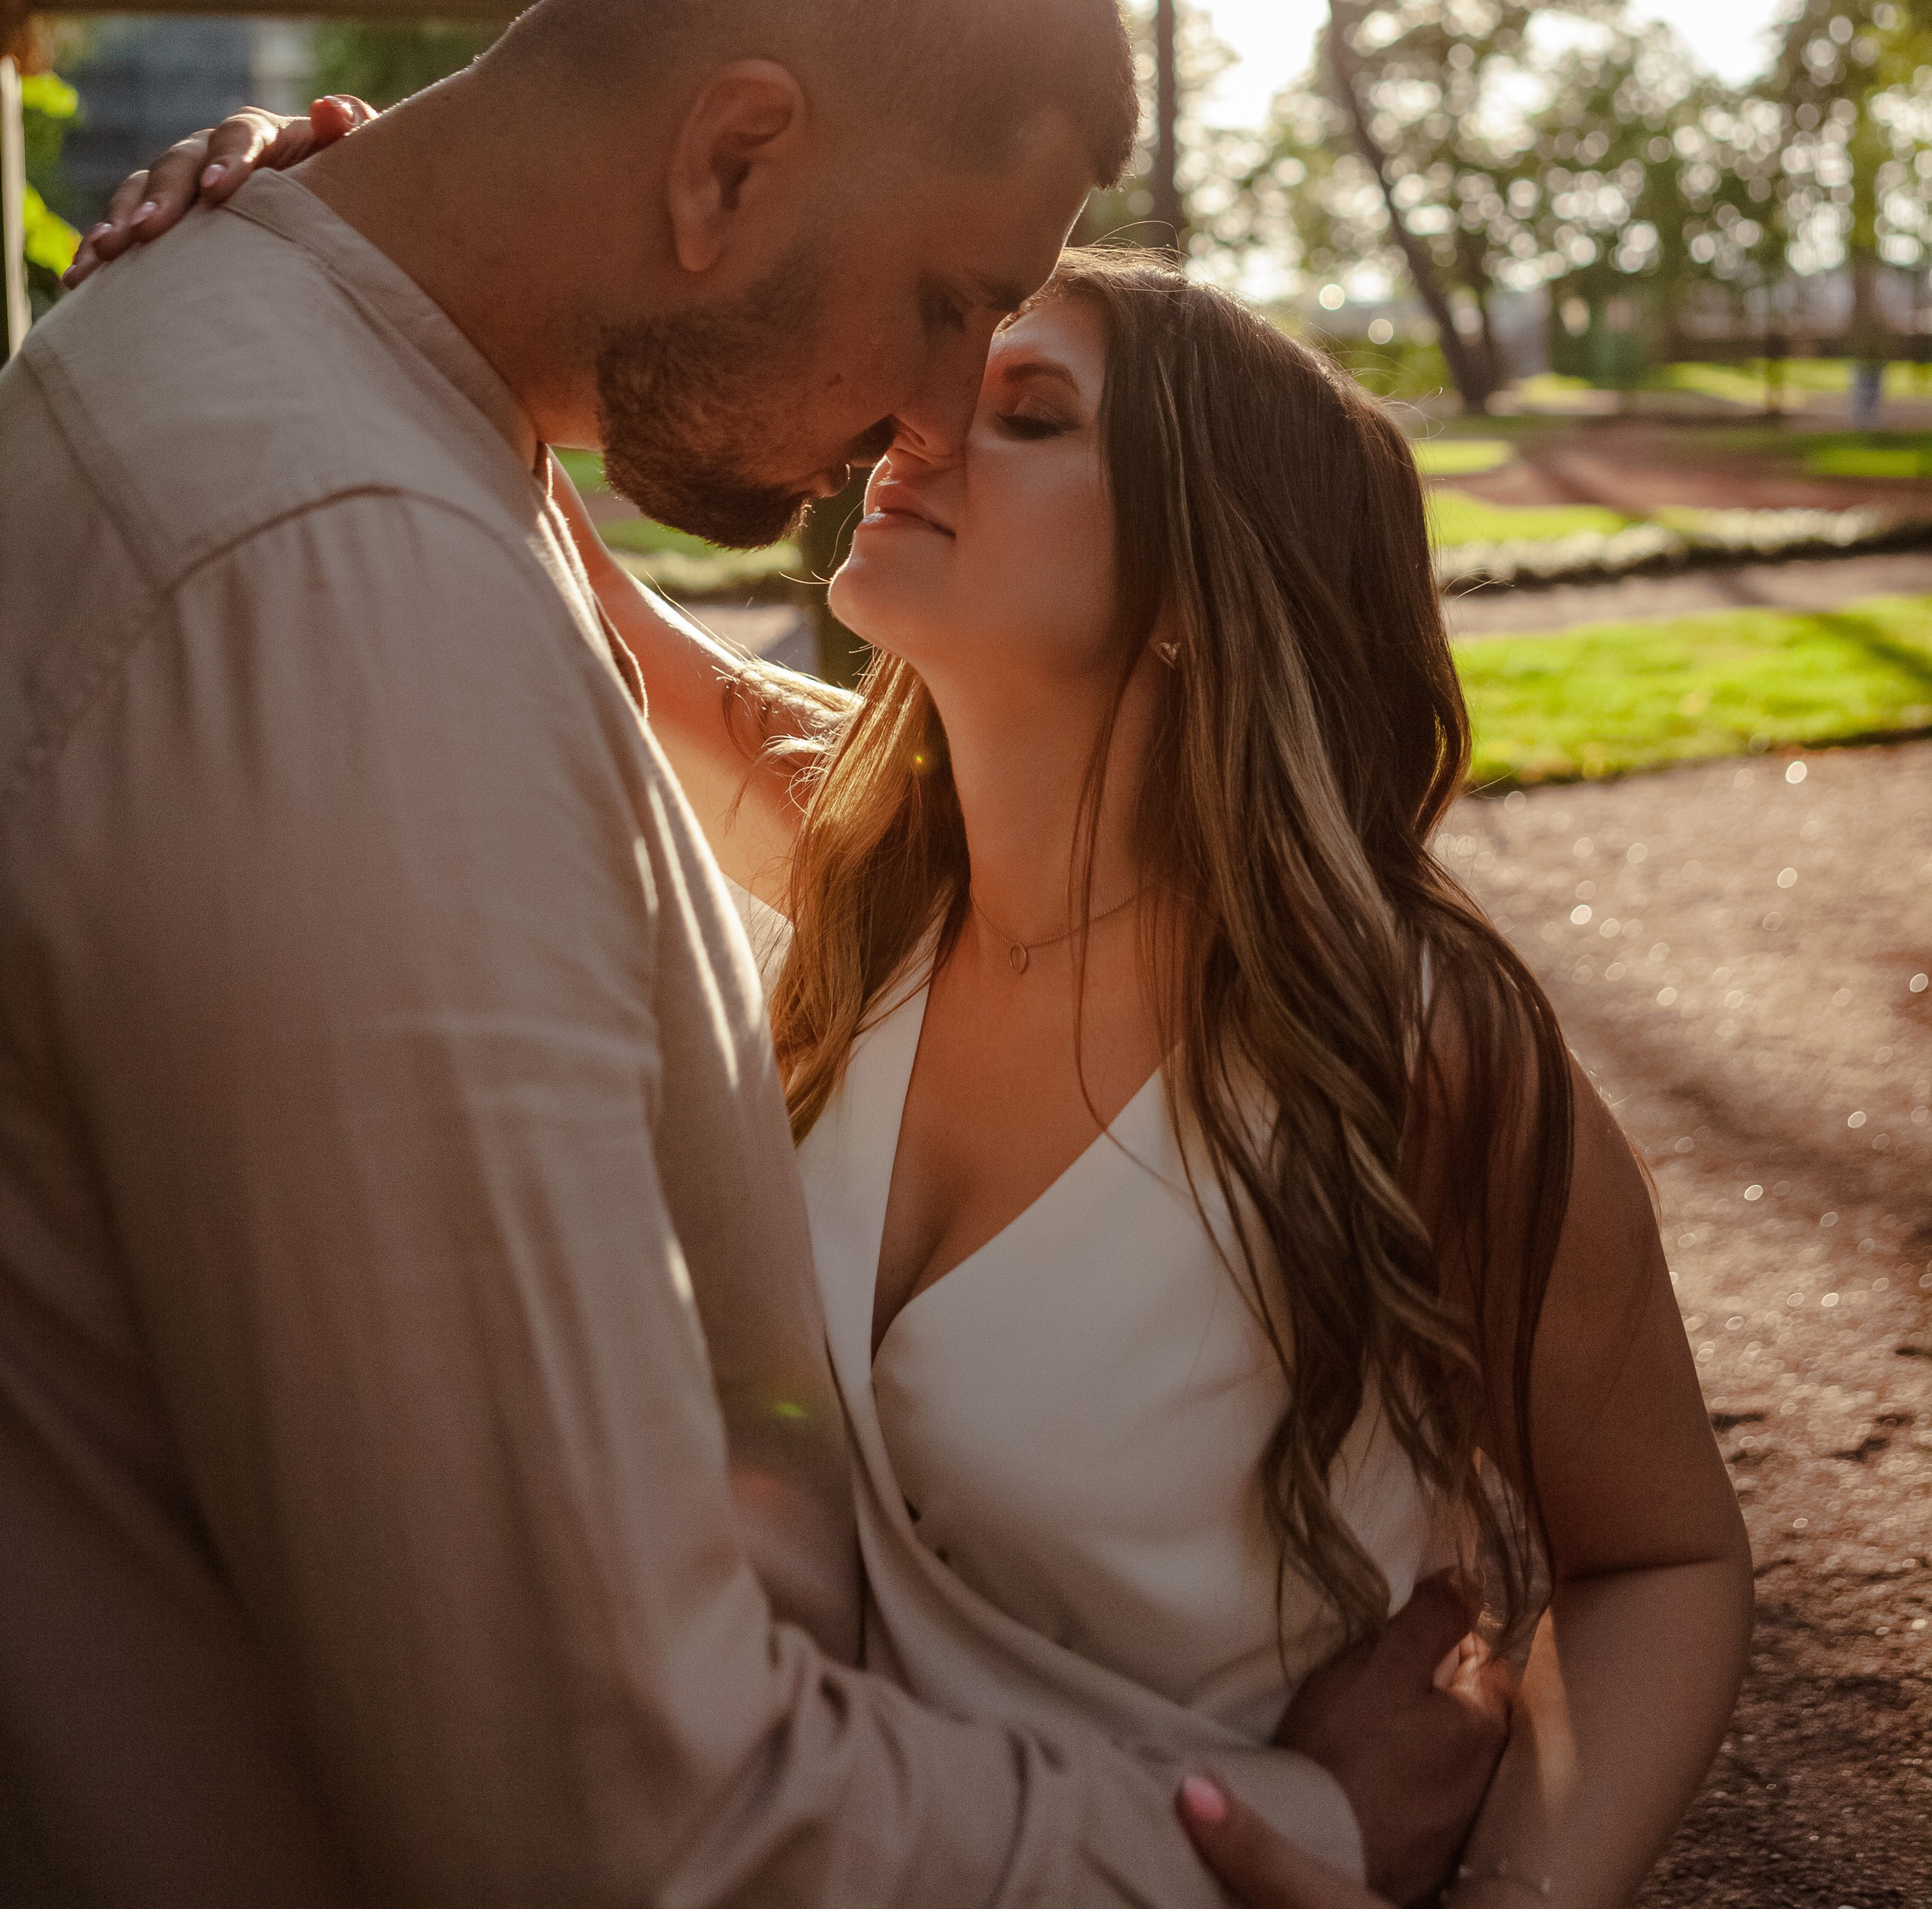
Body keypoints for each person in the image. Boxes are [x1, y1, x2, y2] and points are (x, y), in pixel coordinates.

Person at [1, 0, 1502, 1909]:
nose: (934, 413)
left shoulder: (308, 387)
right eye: (949, 301)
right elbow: (613, 1810)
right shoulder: (357, 591)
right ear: (728, 161)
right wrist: (1280, 1843)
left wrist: (310, 196)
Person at [82, 103, 1755, 1905]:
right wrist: (331, 202)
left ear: (1199, 581)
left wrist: (1510, 1902)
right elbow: (527, 512)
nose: (922, 422)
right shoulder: (870, 885)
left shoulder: (1404, 1043)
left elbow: (1659, 1558)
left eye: (1028, 414)